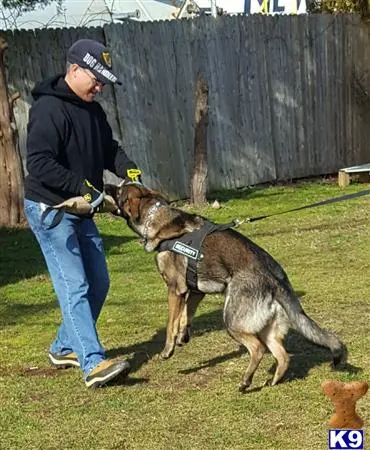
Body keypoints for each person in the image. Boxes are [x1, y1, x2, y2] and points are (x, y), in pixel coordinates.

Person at [24, 39, 140, 388]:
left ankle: (63, 346)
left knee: (99, 282)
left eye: (105, 81)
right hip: (51, 210)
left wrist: (128, 168)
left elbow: (108, 149)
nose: (101, 87)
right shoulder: (48, 110)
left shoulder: (92, 110)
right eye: (97, 79)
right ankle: (93, 363)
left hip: (82, 207)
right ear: (75, 69)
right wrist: (83, 187)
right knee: (74, 286)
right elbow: (39, 163)